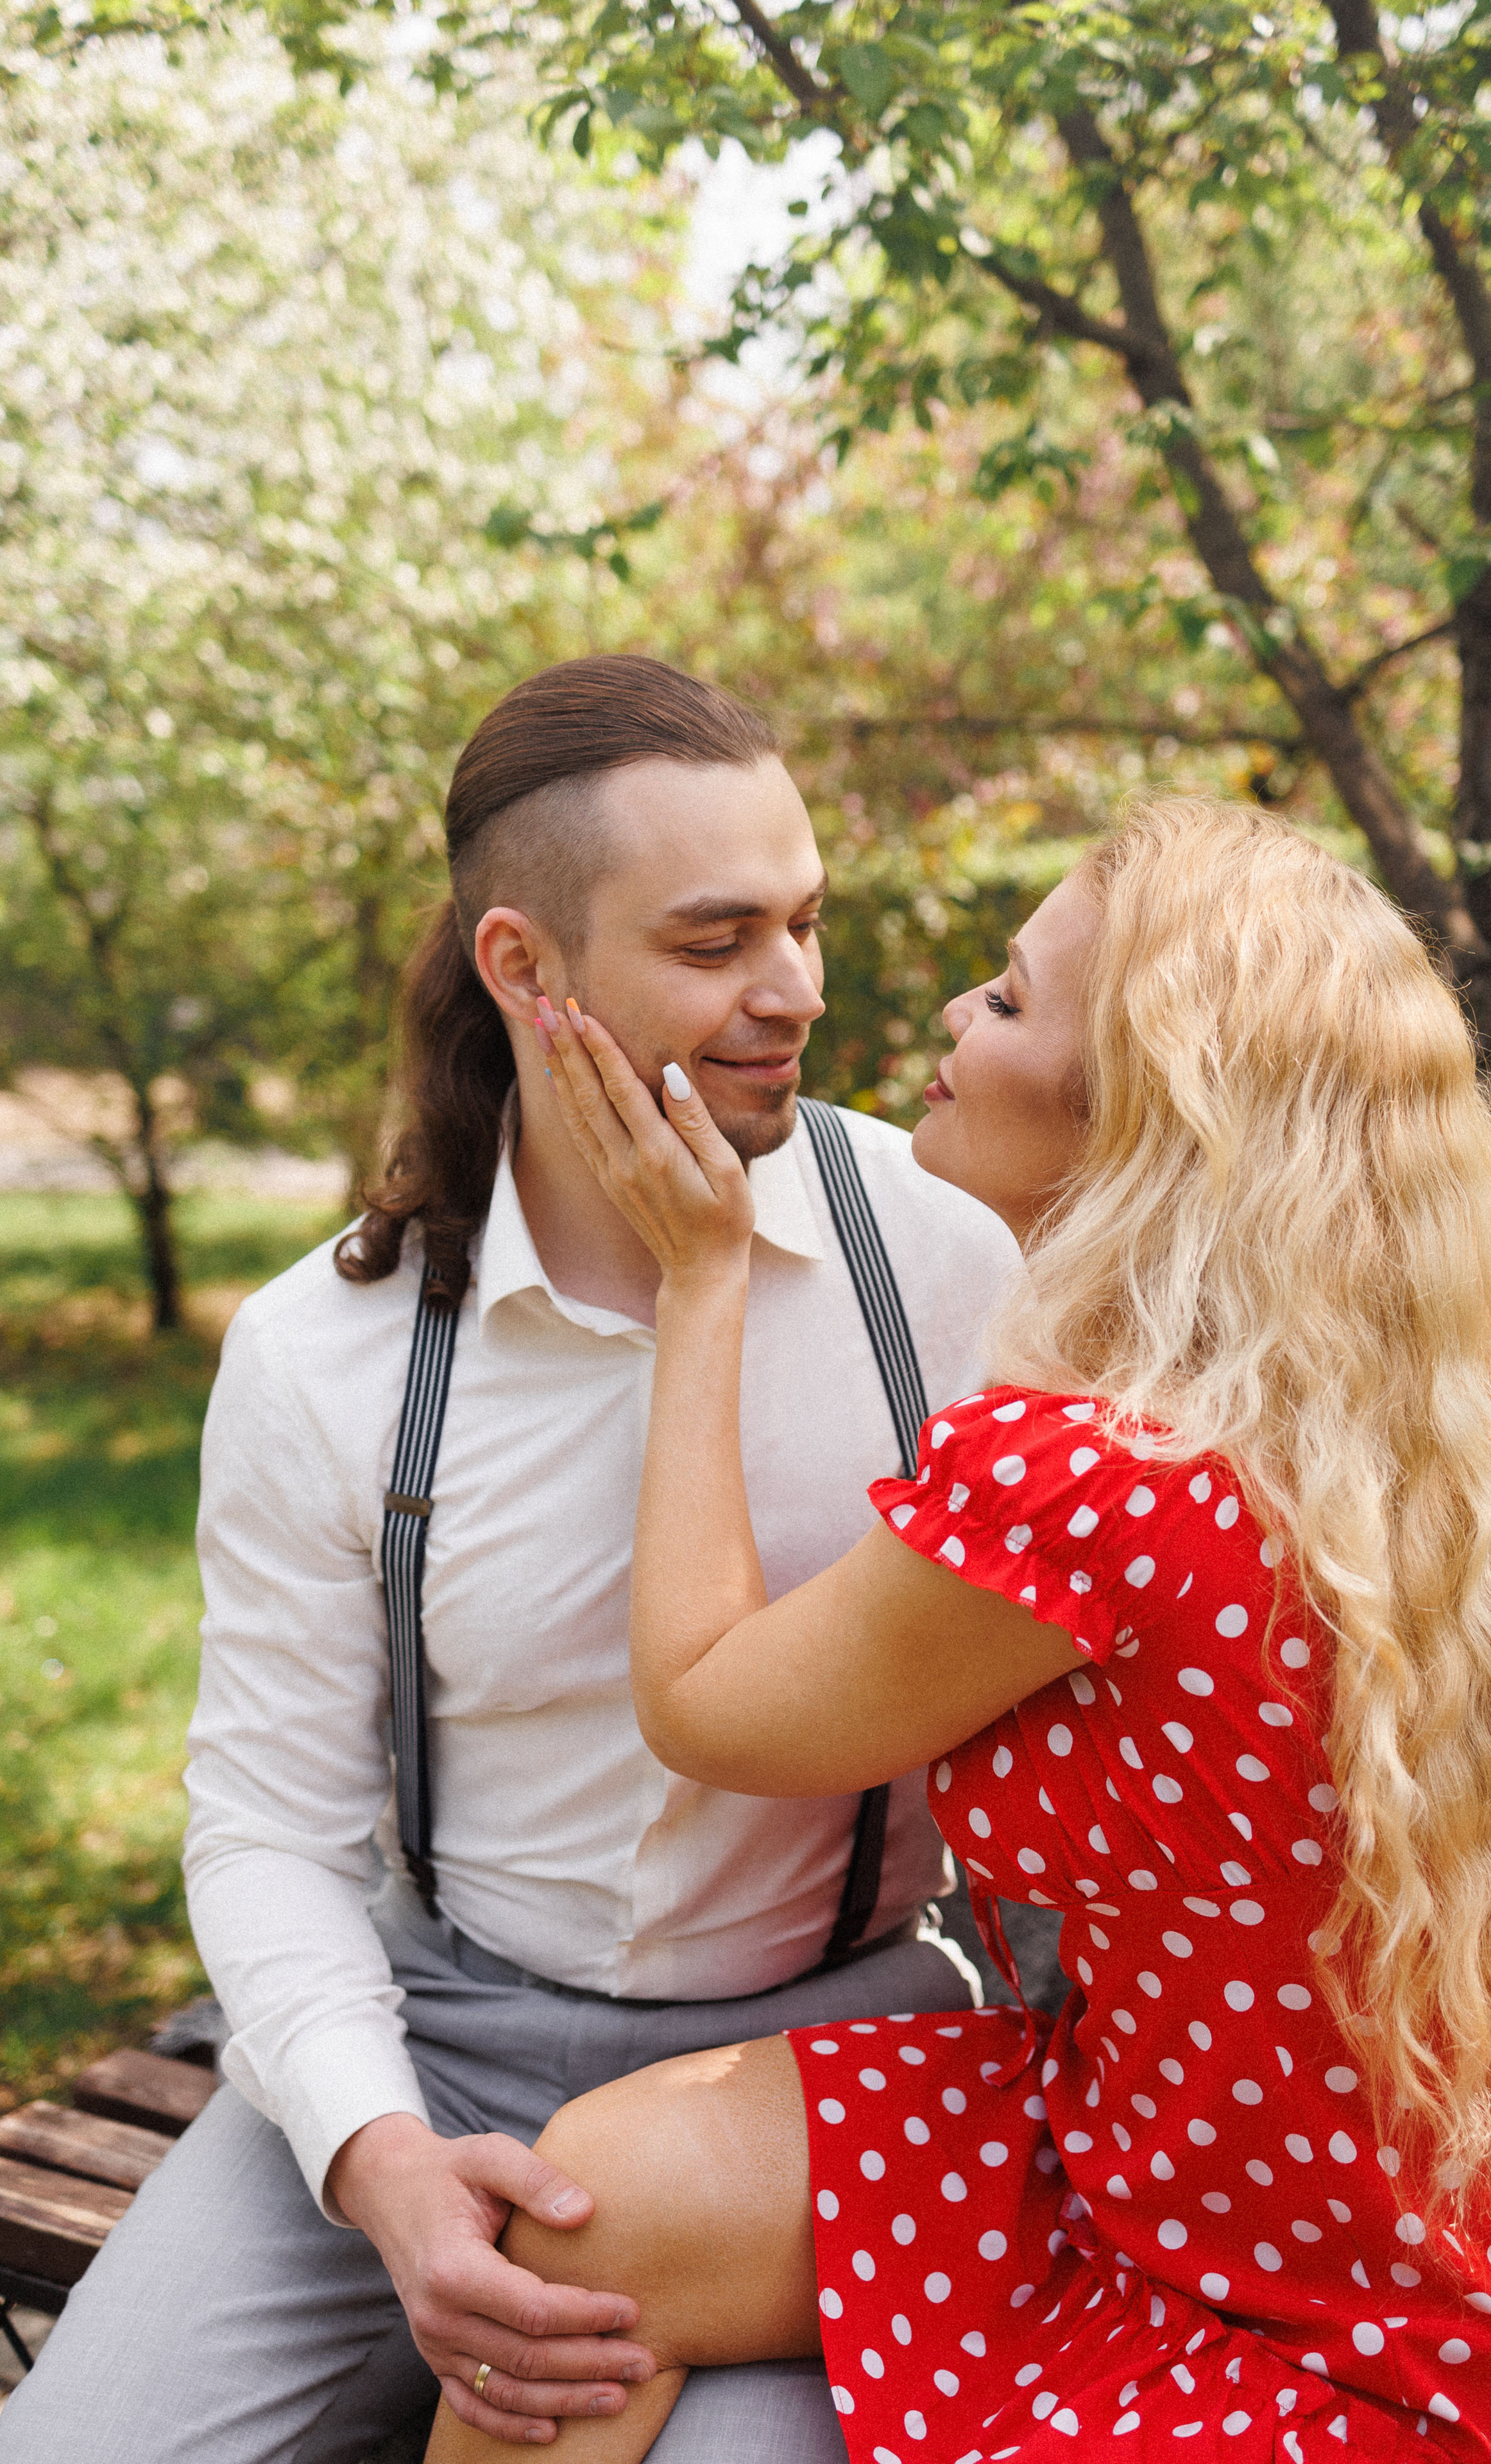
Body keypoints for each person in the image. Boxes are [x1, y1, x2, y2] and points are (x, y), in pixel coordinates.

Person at [423, 798, 1491, 2464]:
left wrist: (698, 1280)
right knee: (581, 2218)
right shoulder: (1384, 1432)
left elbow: (710, 1705)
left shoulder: (1089, 1480)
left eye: (1001, 1000)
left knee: (567, 2241)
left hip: (1272, 2299)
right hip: (1227, 2159)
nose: (936, 1018)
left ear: (1146, 1106)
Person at [0, 656, 1023, 2464]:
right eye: (715, 945)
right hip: (439, 2026)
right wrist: (379, 2160)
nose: (794, 992)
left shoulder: (943, 1270)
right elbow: (266, 1826)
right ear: (525, 966)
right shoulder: (326, 1357)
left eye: (804, 923)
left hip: (836, 2047)